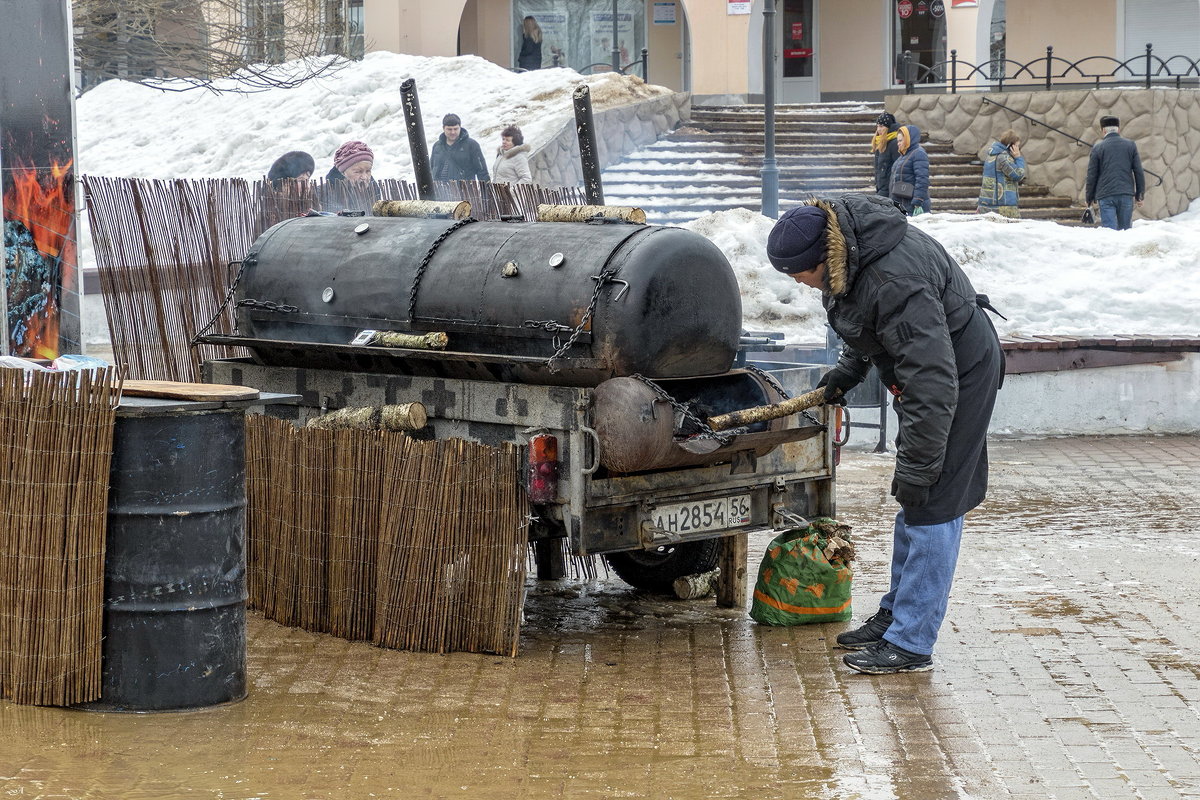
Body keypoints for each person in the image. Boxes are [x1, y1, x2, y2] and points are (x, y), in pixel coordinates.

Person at [765, 194, 1004, 674]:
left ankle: (912, 641)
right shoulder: (848, 251)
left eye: (799, 273)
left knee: (932, 499)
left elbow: (933, 383)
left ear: (822, 256)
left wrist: (918, 466)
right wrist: (846, 374)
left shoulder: (894, 278)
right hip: (930, 374)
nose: (797, 283)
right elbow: (871, 325)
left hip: (958, 377)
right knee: (916, 498)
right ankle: (898, 613)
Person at [1085, 115, 1146, 230]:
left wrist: (1089, 198)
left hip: (1105, 194)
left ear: (1103, 130)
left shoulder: (1097, 148)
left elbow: (1092, 175)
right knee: (1125, 230)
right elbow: (1138, 171)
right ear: (1118, 129)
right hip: (1126, 193)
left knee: (1109, 232)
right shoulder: (1130, 145)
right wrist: (1140, 194)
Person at [977, 129, 1027, 218]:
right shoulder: (1003, 158)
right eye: (1017, 146)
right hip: (1002, 205)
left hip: (987, 203)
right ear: (1011, 146)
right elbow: (1018, 175)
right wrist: (1018, 158)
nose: (1018, 149)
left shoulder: (991, 155)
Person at [430, 114, 490, 183]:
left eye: (456, 129)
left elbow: (482, 171)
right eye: (449, 129)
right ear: (443, 128)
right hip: (440, 190)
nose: (453, 132)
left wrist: (486, 192)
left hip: (464, 190)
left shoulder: (471, 145)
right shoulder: (437, 146)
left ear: (460, 127)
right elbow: (432, 169)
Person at [888, 124, 930, 215]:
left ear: (908, 139)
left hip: (913, 205)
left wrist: (917, 201)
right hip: (902, 203)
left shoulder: (918, 153)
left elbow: (922, 179)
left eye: (900, 140)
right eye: (897, 141)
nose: (898, 143)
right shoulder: (903, 156)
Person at [872, 112, 901, 197]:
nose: (878, 129)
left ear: (888, 127)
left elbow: (899, 168)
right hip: (881, 189)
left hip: (890, 191)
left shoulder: (894, 143)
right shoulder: (880, 142)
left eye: (881, 126)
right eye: (877, 126)